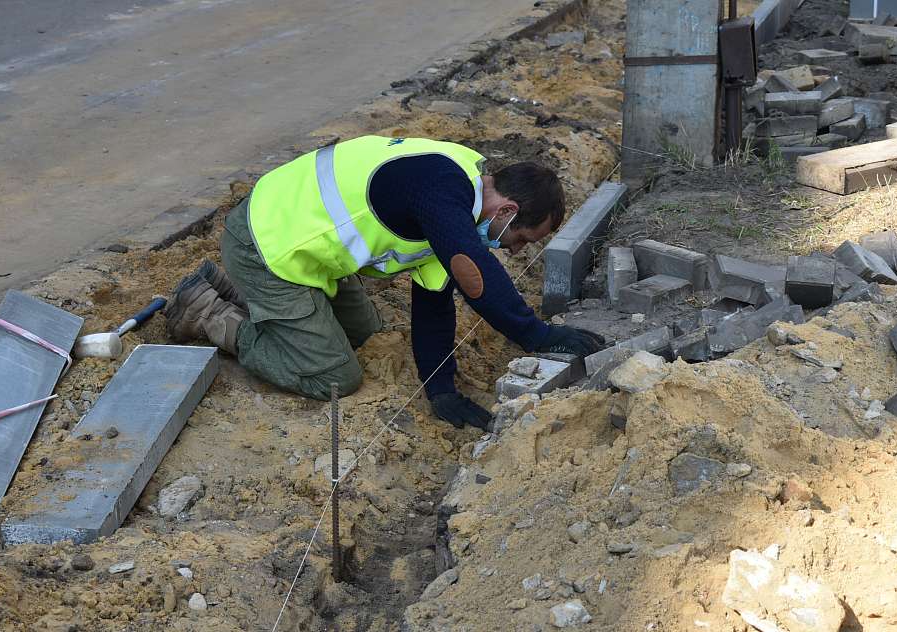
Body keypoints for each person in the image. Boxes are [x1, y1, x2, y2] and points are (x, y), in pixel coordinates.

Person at [164, 135, 602, 431]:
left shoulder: (460, 188)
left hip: (308, 250)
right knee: (334, 375)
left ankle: (235, 291)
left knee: (363, 335)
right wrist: (537, 334)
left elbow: (435, 301)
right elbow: (478, 280)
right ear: (506, 210)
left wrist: (441, 389)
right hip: (267, 246)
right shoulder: (442, 191)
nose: (516, 251)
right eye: (522, 239)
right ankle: (207, 312)